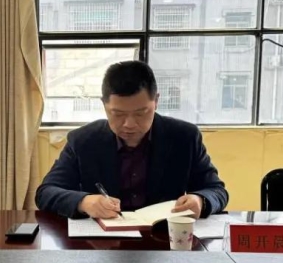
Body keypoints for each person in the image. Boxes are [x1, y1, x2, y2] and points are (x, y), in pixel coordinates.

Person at [35, 61, 228, 219]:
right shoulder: (83, 140)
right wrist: (84, 202)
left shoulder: (184, 137)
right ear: (104, 105)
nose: (129, 124)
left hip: (163, 240)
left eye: (141, 113)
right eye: (118, 114)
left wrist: (200, 200)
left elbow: (216, 190)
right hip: (103, 242)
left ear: (156, 101)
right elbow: (46, 192)